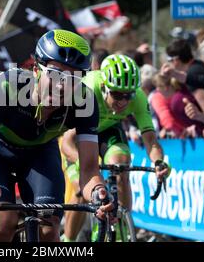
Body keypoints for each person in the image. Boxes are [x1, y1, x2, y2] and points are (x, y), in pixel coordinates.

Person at [0, 29, 115, 242]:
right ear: (36, 69)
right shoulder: (5, 88)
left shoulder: (85, 102)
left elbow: (89, 170)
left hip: (39, 152)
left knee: (49, 228)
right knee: (3, 225)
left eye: (74, 78)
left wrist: (100, 194)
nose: (63, 85)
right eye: (54, 74)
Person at [60, 54, 170, 242]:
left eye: (129, 96)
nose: (124, 102)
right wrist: (85, 165)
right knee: (81, 188)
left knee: (121, 168)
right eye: (118, 95)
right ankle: (68, 241)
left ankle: (121, 231)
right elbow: (66, 142)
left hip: (108, 130)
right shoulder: (87, 90)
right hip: (78, 135)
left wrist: (159, 163)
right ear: (104, 87)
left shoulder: (139, 97)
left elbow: (150, 139)